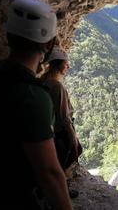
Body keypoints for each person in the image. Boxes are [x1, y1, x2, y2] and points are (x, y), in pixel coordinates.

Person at [0, 0, 73, 210]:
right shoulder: (33, 96)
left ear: (8, 36)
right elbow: (49, 173)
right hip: (10, 194)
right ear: (49, 45)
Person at [41, 47, 82, 198]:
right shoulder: (57, 86)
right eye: (66, 63)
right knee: (66, 157)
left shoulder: (43, 81)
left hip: (49, 130)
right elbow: (64, 116)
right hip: (60, 131)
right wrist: (73, 136)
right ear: (59, 65)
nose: (68, 66)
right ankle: (61, 190)